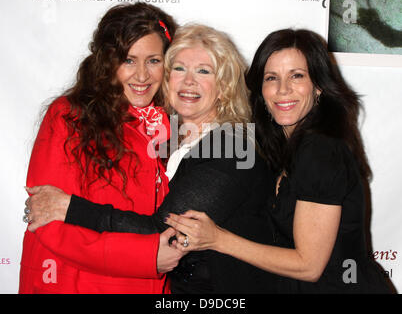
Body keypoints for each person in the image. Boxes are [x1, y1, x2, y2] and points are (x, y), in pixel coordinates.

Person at [24, 24, 278, 294]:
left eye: (204, 71)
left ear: (223, 87)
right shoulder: (171, 137)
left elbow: (163, 228)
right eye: (179, 68)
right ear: (166, 80)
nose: (188, 81)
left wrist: (70, 208)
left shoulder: (230, 145)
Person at [163, 29, 393, 293]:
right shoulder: (281, 146)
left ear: (318, 86)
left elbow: (309, 265)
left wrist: (218, 240)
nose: (283, 90)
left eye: (297, 76)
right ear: (260, 88)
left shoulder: (320, 151)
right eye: (272, 78)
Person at [19, 3, 182, 294]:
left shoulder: (176, 123)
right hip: (72, 282)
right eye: (129, 60)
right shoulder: (68, 115)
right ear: (106, 62)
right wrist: (146, 256)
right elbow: (49, 224)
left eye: (153, 61)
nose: (142, 76)